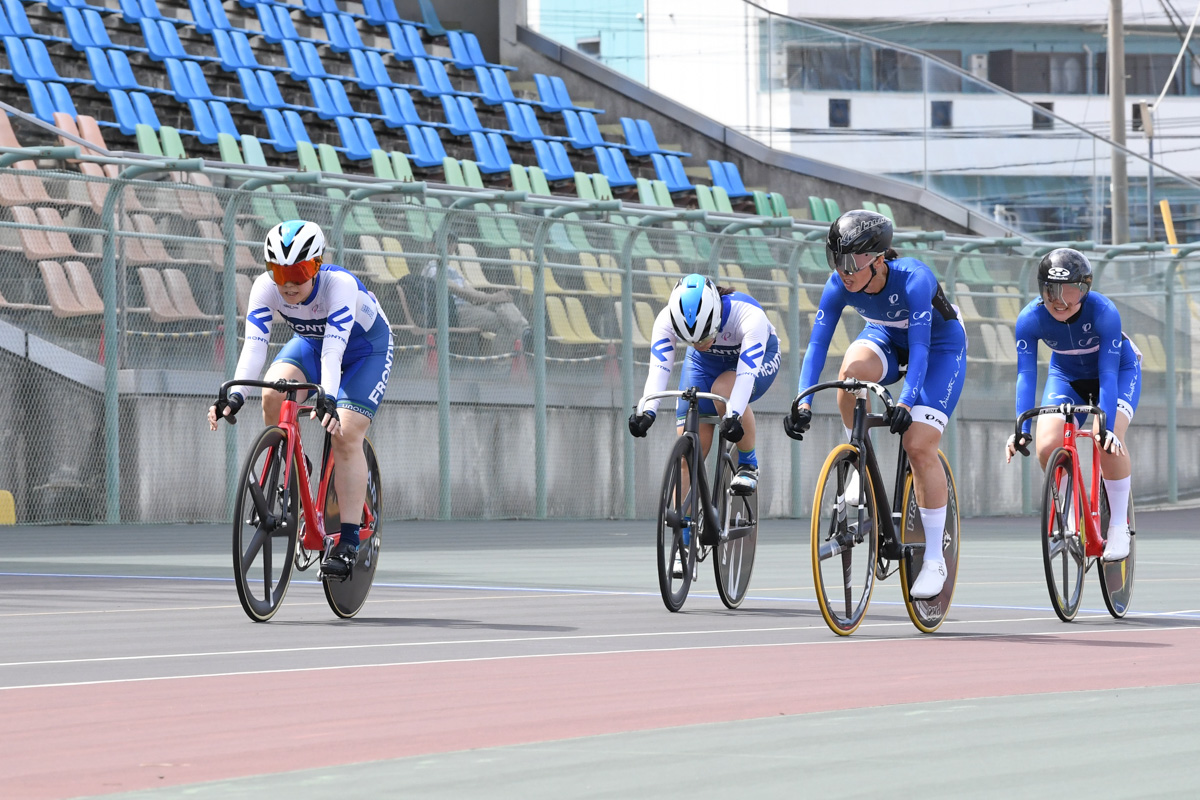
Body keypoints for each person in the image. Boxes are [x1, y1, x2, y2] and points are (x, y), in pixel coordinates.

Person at [783, 209, 968, 600]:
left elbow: (919, 351)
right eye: (836, 259)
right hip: (884, 336)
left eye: (850, 261)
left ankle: (934, 557)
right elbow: (817, 345)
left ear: (878, 258)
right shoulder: (840, 284)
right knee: (850, 375)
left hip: (937, 348)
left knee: (918, 444)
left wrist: (905, 402)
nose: (843, 270)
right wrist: (803, 400)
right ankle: (858, 461)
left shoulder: (915, 279)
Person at [208, 220, 394, 579]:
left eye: (298, 271)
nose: (288, 283)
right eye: (280, 271)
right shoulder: (265, 288)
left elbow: (334, 354)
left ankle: (349, 541)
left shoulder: (338, 286)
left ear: (317, 265)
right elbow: (254, 346)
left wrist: (326, 398)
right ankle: (295, 465)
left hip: (364, 351)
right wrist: (234, 395)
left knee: (345, 432)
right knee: (272, 393)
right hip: (313, 345)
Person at [1005, 248, 1140, 562]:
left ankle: (1119, 525)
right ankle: (1069, 510)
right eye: (1050, 290)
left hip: (1116, 373)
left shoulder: (1104, 312)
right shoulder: (1029, 318)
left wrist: (1106, 427)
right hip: (1066, 375)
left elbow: (1107, 375)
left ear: (1085, 290)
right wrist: (1021, 428)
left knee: (1105, 439)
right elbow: (1025, 374)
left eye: (1070, 291)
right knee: (1047, 444)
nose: (1059, 301)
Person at [627, 272, 781, 500]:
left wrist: (734, 415)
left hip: (754, 360)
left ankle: (748, 464)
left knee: (723, 391)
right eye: (691, 341)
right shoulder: (666, 319)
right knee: (687, 456)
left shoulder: (748, 315)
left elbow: (746, 375)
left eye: (705, 336)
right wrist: (648, 410)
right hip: (703, 366)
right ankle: (685, 532)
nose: (700, 344)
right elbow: (659, 369)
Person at [422, 235, 529, 354]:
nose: (448, 247)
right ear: (433, 246)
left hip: (470, 307)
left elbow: (472, 293)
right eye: (444, 243)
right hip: (456, 311)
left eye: (450, 244)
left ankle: (526, 332)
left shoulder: (452, 271)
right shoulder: (432, 270)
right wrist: (494, 297)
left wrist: (498, 297)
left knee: (503, 302)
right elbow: (463, 293)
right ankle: (501, 369)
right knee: (503, 323)